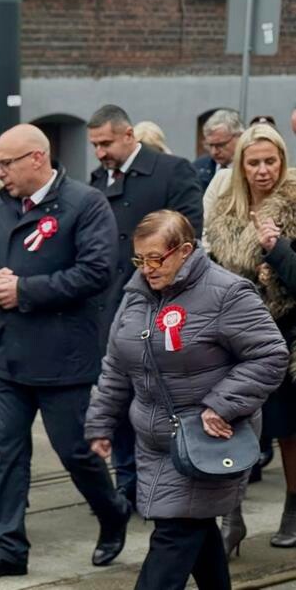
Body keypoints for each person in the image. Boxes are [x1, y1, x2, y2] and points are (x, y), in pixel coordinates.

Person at [0, 124, 130, 582]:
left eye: (6, 164)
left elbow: (97, 272)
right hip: (10, 354)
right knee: (8, 454)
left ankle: (112, 511)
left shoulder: (85, 204)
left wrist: (25, 290)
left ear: (37, 158)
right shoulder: (2, 206)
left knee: (75, 451)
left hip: (64, 356)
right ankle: (7, 547)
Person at [86, 210, 287, 590]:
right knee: (193, 527)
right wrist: (100, 422)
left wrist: (221, 404)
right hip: (155, 442)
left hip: (206, 439)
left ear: (185, 251)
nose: (147, 269)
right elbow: (116, 365)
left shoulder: (227, 292)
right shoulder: (136, 295)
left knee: (175, 533)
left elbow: (270, 354)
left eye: (156, 258)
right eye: (140, 260)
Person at [87, 104, 203, 508]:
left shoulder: (172, 171)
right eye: (94, 145)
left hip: (162, 304)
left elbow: (189, 235)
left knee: (160, 393)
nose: (100, 152)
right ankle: (128, 481)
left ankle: (172, 476)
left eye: (106, 143)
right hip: (110, 306)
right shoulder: (98, 180)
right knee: (118, 393)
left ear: (128, 135)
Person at [204, 123, 296, 552]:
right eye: (254, 162)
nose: (263, 170)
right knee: (230, 427)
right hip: (235, 337)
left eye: (270, 161)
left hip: (285, 335)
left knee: (288, 431)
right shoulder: (225, 210)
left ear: (282, 161)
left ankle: (293, 508)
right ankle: (231, 516)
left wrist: (276, 249)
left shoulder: (293, 204)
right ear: (241, 166)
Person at [194, 109, 243, 192]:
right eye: (210, 145)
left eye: (220, 145)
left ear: (239, 137)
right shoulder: (198, 168)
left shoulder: (251, 167)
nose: (214, 152)